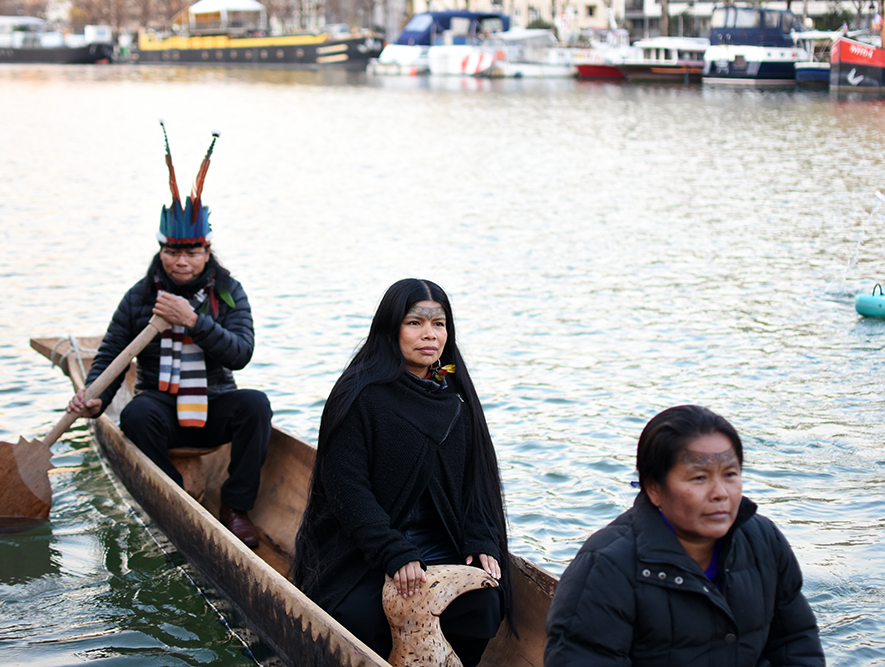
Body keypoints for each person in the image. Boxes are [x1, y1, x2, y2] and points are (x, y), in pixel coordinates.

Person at [292, 278, 514, 667]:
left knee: (483, 604)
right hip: (365, 548)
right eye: (415, 323)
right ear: (390, 329)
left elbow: (476, 479)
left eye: (439, 323)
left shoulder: (455, 395)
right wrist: (393, 551)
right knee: (359, 616)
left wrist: (482, 537)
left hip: (441, 543)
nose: (429, 334)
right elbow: (347, 486)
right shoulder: (359, 395)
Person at [68, 126, 271, 548]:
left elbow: (241, 353)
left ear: (207, 251)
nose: (182, 262)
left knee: (256, 405)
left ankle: (236, 507)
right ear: (161, 251)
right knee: (136, 416)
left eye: (192, 253)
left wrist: (194, 320)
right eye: (173, 252)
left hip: (213, 403)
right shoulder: (140, 296)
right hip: (161, 406)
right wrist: (94, 398)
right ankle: (176, 492)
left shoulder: (228, 293)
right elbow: (112, 356)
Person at [544, 405, 825, 667]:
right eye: (699, 478)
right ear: (653, 488)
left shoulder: (762, 540)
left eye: (730, 474)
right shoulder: (606, 567)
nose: (720, 493)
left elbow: (795, 642)